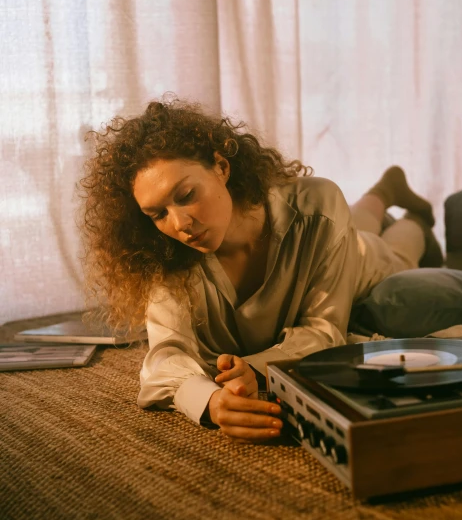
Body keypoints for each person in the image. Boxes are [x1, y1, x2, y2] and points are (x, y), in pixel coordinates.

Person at [80, 98, 443, 444]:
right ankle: (386, 190)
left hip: (359, 261)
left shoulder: (316, 205)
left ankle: (411, 217)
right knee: (359, 225)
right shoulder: (165, 256)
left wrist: (255, 369)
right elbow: (164, 356)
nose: (180, 223)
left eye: (187, 194)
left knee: (396, 253)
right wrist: (210, 402)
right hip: (339, 229)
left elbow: (325, 329)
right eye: (158, 214)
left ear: (221, 167)